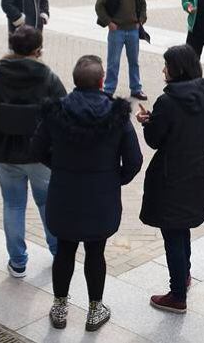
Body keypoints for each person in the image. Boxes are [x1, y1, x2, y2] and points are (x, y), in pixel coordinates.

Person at [32, 55, 142, 332]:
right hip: (101, 197)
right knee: (96, 251)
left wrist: (59, 166)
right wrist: (115, 179)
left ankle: (59, 307)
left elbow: (36, 149)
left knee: (64, 250)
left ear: (75, 81)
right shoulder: (116, 115)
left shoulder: (57, 112)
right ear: (102, 80)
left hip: (64, 194)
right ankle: (95, 310)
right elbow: (134, 159)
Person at [0, 25, 66, 276]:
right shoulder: (49, 78)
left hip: (5, 153)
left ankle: (17, 261)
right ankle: (58, 252)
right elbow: (62, 116)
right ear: (38, 50)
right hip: (41, 156)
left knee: (13, 205)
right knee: (47, 204)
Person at [135, 45, 204, 314]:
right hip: (197, 175)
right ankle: (185, 276)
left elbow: (155, 140)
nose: (163, 69)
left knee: (173, 235)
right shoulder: (203, 94)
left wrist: (147, 122)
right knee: (182, 229)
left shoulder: (167, 101)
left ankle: (177, 295)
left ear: (177, 69)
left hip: (171, 179)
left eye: (166, 65)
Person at [95, 0, 148, 100]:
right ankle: (109, 90)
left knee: (134, 61)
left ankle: (136, 89)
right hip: (116, 30)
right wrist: (109, 22)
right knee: (113, 62)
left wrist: (141, 21)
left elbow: (143, 4)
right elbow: (99, 6)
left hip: (133, 30)